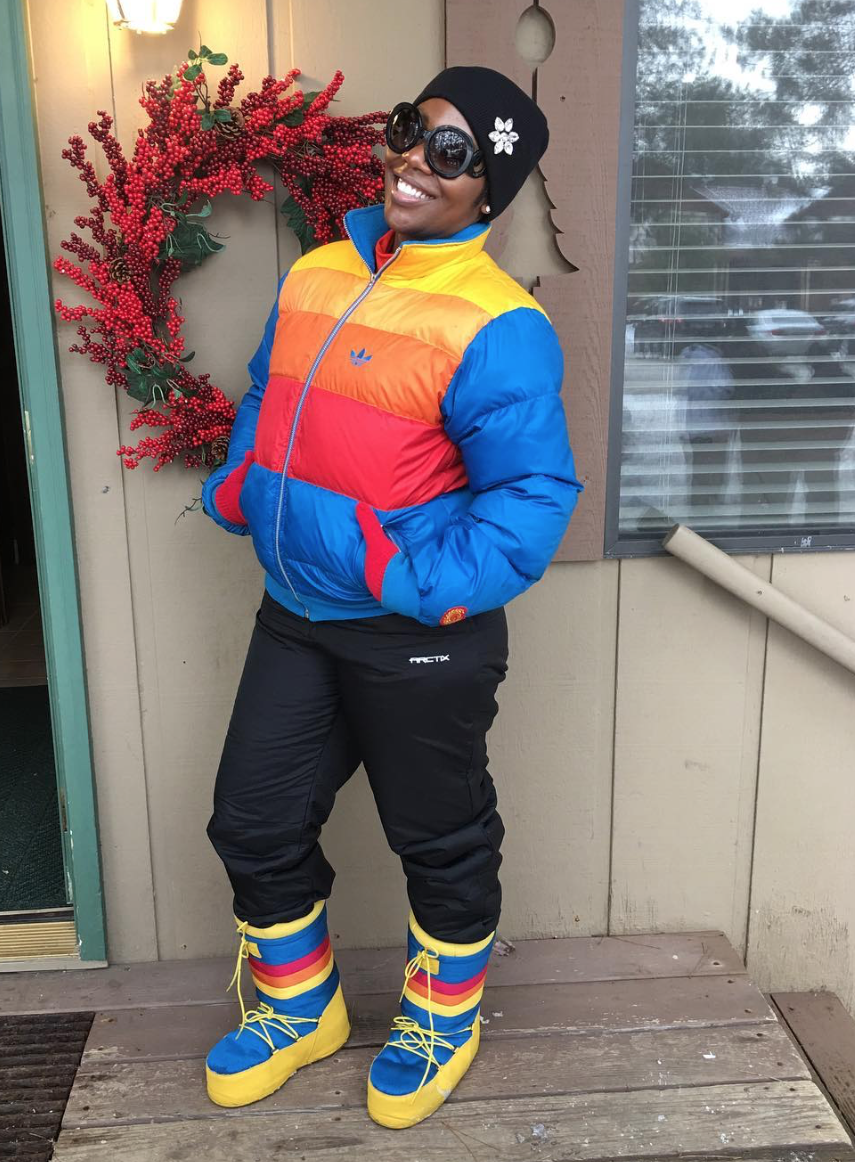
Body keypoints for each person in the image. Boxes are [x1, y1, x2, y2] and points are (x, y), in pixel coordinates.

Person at [200, 65, 583, 1130]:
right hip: (295, 615)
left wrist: (405, 579)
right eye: (412, 128)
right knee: (253, 822)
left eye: (451, 150)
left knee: (441, 839)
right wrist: (241, 482)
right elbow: (266, 392)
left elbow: (530, 501)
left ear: (488, 187)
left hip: (413, 638)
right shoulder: (319, 272)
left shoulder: (499, 324)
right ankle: (301, 1007)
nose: (414, 157)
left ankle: (439, 1021)